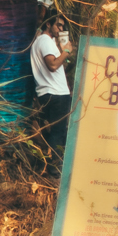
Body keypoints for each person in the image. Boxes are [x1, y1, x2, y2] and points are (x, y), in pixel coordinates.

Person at [29, 15, 72, 158]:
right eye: (58, 25)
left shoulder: (44, 42)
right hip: (56, 94)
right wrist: (66, 51)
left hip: (46, 92)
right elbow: (53, 65)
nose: (61, 29)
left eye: (62, 26)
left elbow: (59, 66)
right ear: (48, 24)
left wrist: (61, 50)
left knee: (53, 132)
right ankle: (54, 170)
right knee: (58, 133)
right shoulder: (45, 41)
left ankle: (47, 163)